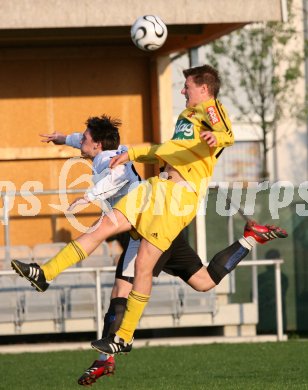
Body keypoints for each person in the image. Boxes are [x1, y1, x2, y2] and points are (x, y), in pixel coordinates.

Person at [11, 65, 288, 366]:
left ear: (204, 89)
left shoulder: (210, 108)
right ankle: (44, 274)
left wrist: (217, 139)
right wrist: (132, 153)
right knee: (100, 229)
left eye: (187, 85)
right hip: (155, 189)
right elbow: (166, 149)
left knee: (144, 267)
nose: (182, 90)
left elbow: (226, 132)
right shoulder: (187, 117)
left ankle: (123, 337)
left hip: (176, 201)